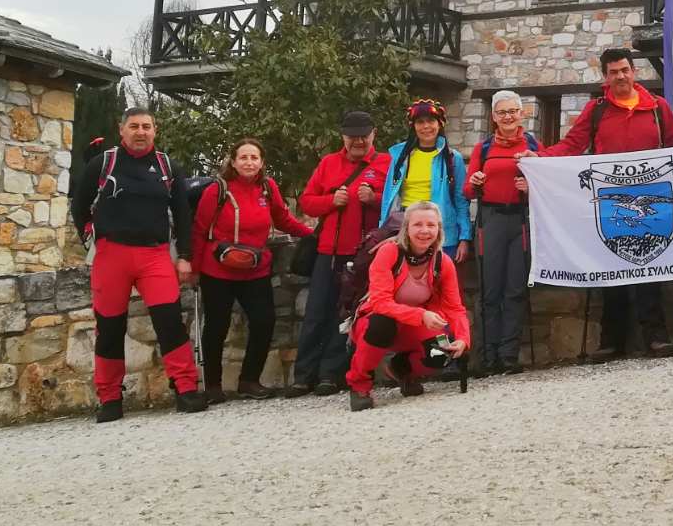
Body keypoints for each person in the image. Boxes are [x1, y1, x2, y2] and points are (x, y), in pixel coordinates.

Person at [542, 47, 673, 360]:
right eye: (613, 72)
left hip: (653, 197)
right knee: (612, 268)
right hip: (610, 200)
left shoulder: (658, 108)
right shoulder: (596, 110)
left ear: (634, 72)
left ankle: (656, 337)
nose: (620, 76)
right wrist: (537, 159)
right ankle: (611, 341)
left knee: (650, 264)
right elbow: (571, 146)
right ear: (605, 77)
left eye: (625, 70)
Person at [70, 107, 206, 422]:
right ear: (122, 130)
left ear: (155, 131)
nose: (141, 132)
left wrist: (184, 256)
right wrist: (89, 238)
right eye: (134, 126)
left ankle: (186, 390)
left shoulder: (167, 166)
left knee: (170, 321)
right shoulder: (102, 163)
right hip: (111, 254)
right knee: (109, 327)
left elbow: (183, 214)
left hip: (154, 254)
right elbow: (79, 205)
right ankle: (110, 399)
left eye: (146, 126)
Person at [189, 138, 314, 403]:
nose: (249, 162)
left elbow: (282, 218)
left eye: (254, 158)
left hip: (254, 269)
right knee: (216, 327)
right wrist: (195, 269)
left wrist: (311, 233)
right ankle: (212, 386)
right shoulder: (217, 190)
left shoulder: (268, 188)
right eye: (243, 157)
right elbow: (200, 230)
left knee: (264, 321)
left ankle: (249, 380)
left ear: (261, 162)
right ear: (233, 162)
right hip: (217, 270)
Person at [292, 111, 389, 396]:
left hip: (363, 255)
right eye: (352, 136)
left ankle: (330, 375)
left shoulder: (386, 162)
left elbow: (397, 205)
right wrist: (331, 201)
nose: (358, 141)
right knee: (316, 313)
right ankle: (303, 375)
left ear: (373, 134)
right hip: (328, 252)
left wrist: (374, 200)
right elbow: (307, 203)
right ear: (343, 137)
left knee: (346, 316)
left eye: (364, 135)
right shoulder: (328, 163)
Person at [344, 201, 470, 411]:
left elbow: (455, 308)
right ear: (406, 228)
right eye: (417, 224)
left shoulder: (443, 261)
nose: (424, 231)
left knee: (441, 353)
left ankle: (402, 370)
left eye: (431, 225)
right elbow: (380, 303)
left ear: (439, 229)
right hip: (374, 321)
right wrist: (421, 315)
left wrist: (463, 340)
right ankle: (359, 385)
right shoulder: (389, 252)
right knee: (382, 324)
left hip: (414, 325)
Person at [465, 90, 538, 376]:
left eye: (513, 111)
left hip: (519, 219)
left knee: (516, 290)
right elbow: (467, 191)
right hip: (490, 220)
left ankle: (509, 356)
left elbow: (548, 185)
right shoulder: (484, 148)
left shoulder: (532, 145)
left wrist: (531, 187)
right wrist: (476, 181)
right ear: (494, 117)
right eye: (502, 112)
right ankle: (488, 357)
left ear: (522, 114)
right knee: (489, 290)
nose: (508, 117)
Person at [379, 99, 472, 262]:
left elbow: (461, 199)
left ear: (440, 124)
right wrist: (382, 229)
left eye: (431, 121)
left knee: (438, 281)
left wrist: (464, 237)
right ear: (413, 126)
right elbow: (388, 197)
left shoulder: (452, 158)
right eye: (420, 122)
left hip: (440, 227)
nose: (426, 126)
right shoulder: (401, 157)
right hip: (405, 225)